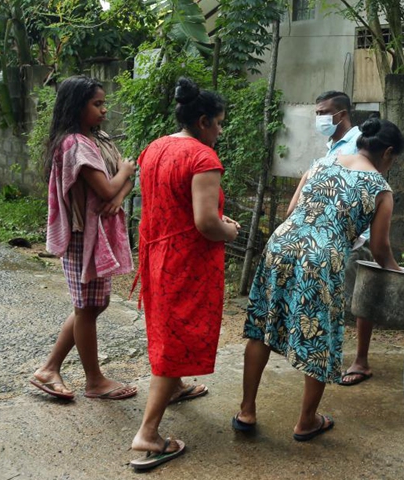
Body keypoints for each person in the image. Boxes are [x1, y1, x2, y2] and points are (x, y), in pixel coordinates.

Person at [234, 118, 403, 441]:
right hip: (321, 260)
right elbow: (381, 248)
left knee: (262, 326)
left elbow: (291, 210)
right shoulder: (381, 189)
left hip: (281, 245)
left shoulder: (321, 164)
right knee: (319, 340)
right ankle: (306, 421)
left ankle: (246, 411)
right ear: (388, 153)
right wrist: (397, 273)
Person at [129, 77, 239, 471]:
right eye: (219, 124)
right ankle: (148, 434)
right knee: (176, 340)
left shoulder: (155, 147)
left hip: (157, 253)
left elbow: (173, 205)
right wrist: (229, 230)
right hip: (187, 262)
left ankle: (174, 387)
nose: (220, 131)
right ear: (204, 120)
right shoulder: (203, 158)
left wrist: (216, 222)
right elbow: (206, 223)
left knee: (165, 326)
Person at [31, 75, 137, 401]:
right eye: (97, 104)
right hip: (83, 236)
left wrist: (120, 195)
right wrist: (125, 174)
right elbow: (109, 184)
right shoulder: (74, 144)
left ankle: (49, 369)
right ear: (77, 106)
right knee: (87, 307)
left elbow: (122, 185)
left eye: (104, 103)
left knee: (92, 305)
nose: (104, 110)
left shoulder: (97, 137)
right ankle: (94, 381)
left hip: (98, 232)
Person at [287, 91, 377, 387]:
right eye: (317, 113)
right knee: (337, 299)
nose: (319, 118)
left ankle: (359, 360)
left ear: (342, 114)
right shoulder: (331, 146)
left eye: (323, 112)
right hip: (329, 237)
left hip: (353, 236)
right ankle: (326, 358)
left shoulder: (357, 143)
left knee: (360, 298)